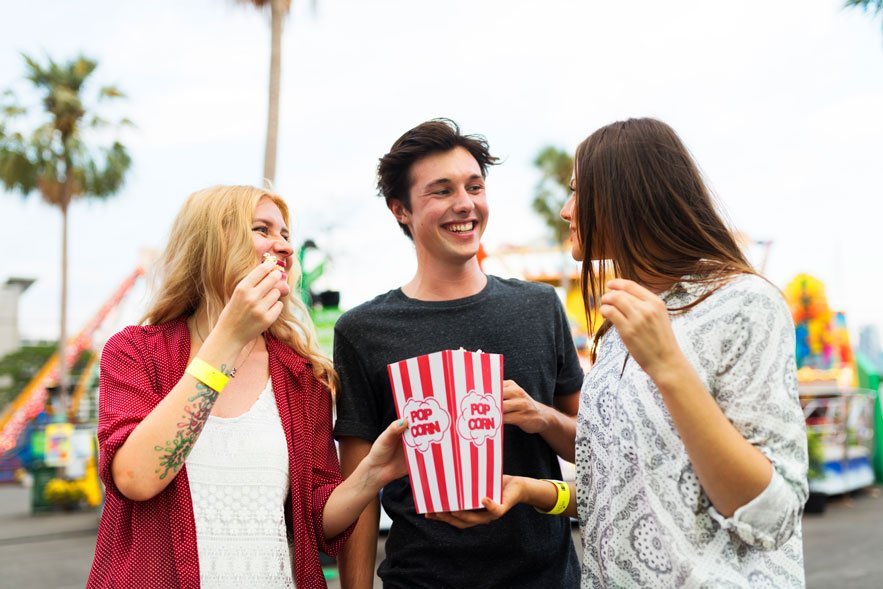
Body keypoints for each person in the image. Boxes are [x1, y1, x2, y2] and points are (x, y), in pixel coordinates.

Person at [477, 118, 808, 587]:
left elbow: (772, 515)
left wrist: (669, 367)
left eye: (577, 192)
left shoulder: (743, 303)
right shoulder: (617, 328)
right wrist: (529, 489)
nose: (566, 211)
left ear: (626, 197)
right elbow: (619, 494)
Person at [87, 185, 407, 589]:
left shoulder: (302, 375)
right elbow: (137, 478)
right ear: (209, 245)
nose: (284, 247)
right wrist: (229, 339)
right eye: (263, 230)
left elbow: (315, 521)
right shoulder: (135, 351)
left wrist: (372, 473)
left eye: (286, 234)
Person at [333, 119, 584, 588]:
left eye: (474, 186)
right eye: (441, 191)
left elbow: (594, 451)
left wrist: (540, 418)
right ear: (400, 210)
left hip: (545, 579)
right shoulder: (363, 331)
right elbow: (360, 494)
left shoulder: (539, 307)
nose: (465, 204)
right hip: (421, 579)